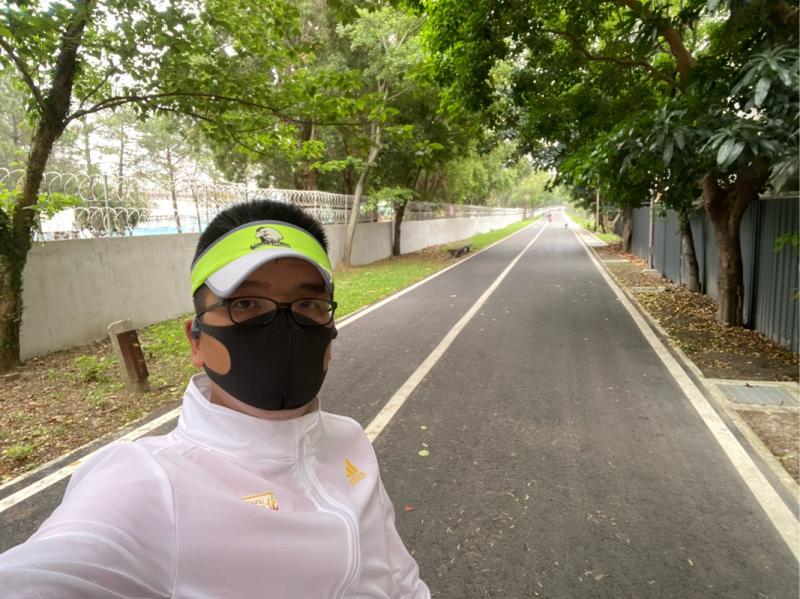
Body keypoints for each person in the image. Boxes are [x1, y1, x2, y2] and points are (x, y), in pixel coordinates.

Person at [0, 200, 430, 598]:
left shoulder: (349, 439)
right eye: (245, 303)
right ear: (197, 340)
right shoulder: (149, 484)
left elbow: (399, 577)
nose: (283, 326)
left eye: (307, 304)